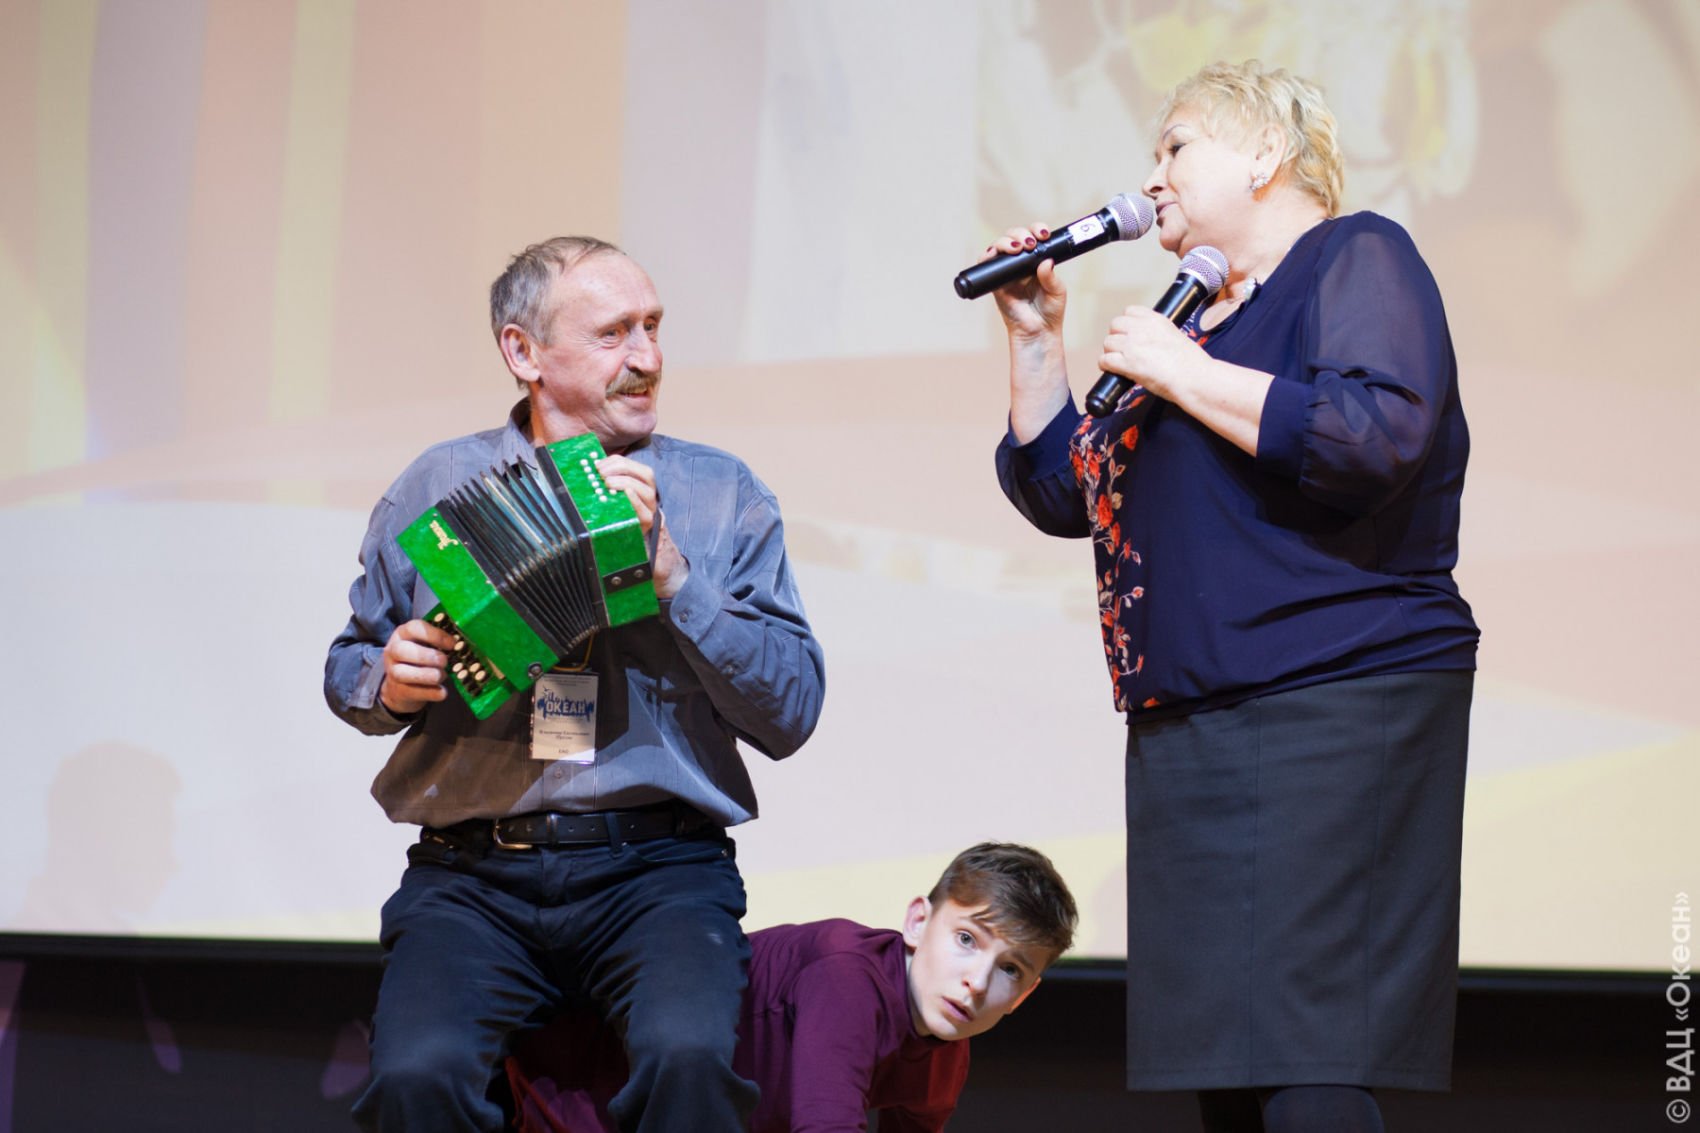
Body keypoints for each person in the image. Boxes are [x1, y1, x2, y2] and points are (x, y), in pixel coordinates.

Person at [987, 61, 1478, 1133]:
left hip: (1335, 699)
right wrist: (1033, 336)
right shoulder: (1196, 324)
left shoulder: (1354, 255)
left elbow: (1370, 435)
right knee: (1229, 1062)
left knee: (1309, 1050)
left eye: (1174, 148)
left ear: (1263, 154)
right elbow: (1067, 491)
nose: (1151, 178)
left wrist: (1177, 369)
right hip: (1194, 726)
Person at [324, 235, 826, 1133]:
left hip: (658, 868)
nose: (648, 357)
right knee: (415, 1076)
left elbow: (791, 710)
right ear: (524, 352)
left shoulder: (719, 492)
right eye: (613, 333)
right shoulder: (438, 484)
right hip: (474, 874)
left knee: (689, 1057)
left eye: (653, 327)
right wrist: (386, 681)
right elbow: (348, 665)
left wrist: (675, 579)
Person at [505, 842, 1078, 1133]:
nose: (976, 982)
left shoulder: (946, 1047)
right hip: (571, 1104)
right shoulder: (847, 975)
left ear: (1026, 995)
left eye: (1010, 970)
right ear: (916, 922)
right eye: (967, 940)